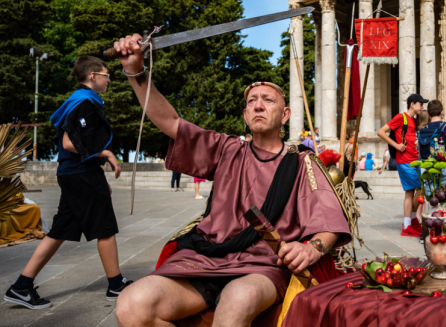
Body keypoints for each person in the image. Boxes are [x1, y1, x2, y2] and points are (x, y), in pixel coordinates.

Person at [111, 33, 351, 326]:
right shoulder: (226, 149)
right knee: (131, 305)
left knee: (237, 300)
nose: (258, 105)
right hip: (205, 259)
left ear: (285, 114)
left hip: (261, 266)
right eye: (251, 101)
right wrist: (136, 71)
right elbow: (172, 123)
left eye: (268, 100)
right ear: (245, 114)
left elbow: (329, 222)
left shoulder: (302, 163)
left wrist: (311, 248)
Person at [4, 56, 130, 310]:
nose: (109, 80)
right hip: (80, 174)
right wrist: (106, 155)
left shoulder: (79, 100)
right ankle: (116, 285)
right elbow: (69, 144)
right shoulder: (84, 103)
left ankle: (21, 286)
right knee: (104, 227)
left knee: (60, 231)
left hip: (76, 174)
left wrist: (98, 172)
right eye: (106, 75)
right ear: (93, 76)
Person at [377, 94, 428, 238]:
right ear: (412, 104)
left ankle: (411, 221)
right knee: (410, 192)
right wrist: (396, 145)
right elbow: (381, 132)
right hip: (404, 161)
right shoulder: (401, 117)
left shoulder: (413, 119)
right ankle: (407, 225)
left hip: (414, 160)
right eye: (420, 104)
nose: (422, 107)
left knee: (419, 190)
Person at [418, 100, 446, 187]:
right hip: (445, 167)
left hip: (429, 168)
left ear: (428, 114)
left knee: (433, 199)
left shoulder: (422, 130)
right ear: (442, 112)